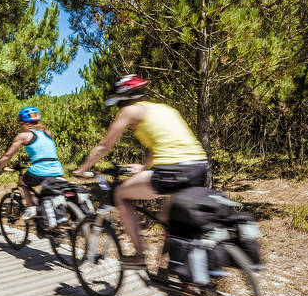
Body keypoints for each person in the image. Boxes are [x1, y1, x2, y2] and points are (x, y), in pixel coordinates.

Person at [73, 74, 209, 268]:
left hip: (173, 169)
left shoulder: (130, 110)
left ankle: (139, 255)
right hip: (199, 166)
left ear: (122, 97)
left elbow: (104, 146)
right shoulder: (165, 109)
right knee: (166, 218)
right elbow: (158, 146)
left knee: (120, 195)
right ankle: (175, 272)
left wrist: (83, 168)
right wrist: (144, 168)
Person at [0, 106, 64, 220]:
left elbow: (8, 155)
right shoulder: (47, 133)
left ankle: (31, 208)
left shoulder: (24, 135)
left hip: (40, 170)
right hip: (57, 170)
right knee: (43, 195)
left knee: (22, 183)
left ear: (23, 121)